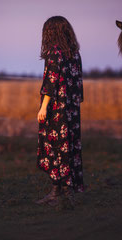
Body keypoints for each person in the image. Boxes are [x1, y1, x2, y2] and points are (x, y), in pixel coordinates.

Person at [36, 16, 84, 207]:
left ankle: (58, 193)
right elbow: (79, 84)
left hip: (56, 109)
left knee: (55, 147)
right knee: (69, 149)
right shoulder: (74, 53)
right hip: (71, 110)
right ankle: (64, 193)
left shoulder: (54, 52)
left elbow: (51, 80)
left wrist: (43, 106)